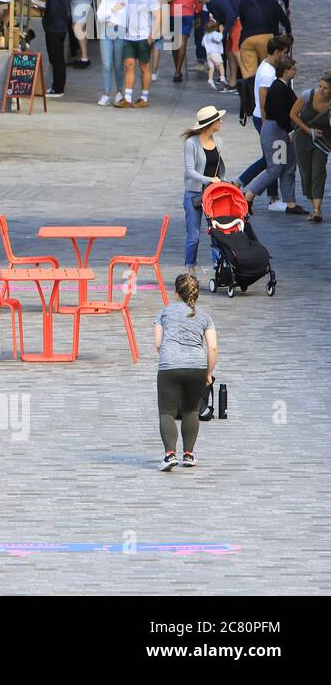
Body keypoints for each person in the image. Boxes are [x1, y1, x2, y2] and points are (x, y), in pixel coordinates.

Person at [153, 274, 217, 472]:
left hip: (170, 366)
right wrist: (208, 373)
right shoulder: (205, 316)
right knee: (191, 410)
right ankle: (188, 455)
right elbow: (213, 348)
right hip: (196, 367)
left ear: (176, 293)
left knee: (167, 412)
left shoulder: (165, 312)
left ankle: (169, 455)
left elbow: (157, 344)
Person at [244, 55, 305, 216]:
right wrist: (291, 130)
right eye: (293, 69)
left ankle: (290, 203)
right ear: (285, 71)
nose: (295, 71)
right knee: (276, 168)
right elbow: (280, 114)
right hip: (277, 132)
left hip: (280, 131)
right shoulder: (278, 88)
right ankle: (248, 196)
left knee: (288, 167)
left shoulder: (282, 86)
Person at [239, 36, 294, 210]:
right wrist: (267, 128)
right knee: (273, 162)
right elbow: (264, 105)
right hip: (268, 123)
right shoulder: (268, 74)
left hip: (269, 123)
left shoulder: (269, 67)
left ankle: (244, 185)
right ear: (277, 52)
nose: (287, 56)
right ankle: (268, 197)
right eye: (285, 52)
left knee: (271, 161)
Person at [181, 106, 227, 275]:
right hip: (194, 194)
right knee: (194, 236)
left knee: (217, 232)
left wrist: (219, 182)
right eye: (218, 119)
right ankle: (190, 266)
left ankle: (218, 266)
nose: (221, 122)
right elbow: (189, 171)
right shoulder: (191, 143)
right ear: (209, 124)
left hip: (213, 194)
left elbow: (218, 167)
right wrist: (209, 180)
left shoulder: (219, 142)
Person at [290, 70, 331, 223]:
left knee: (318, 173)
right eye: (320, 86)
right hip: (302, 139)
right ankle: (315, 207)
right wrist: (309, 131)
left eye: (325, 88)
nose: (321, 90)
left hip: (322, 142)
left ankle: (317, 210)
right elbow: (293, 114)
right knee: (306, 174)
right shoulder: (308, 95)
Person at [115, 0, 159, 108]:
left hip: (144, 37)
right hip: (130, 37)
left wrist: (152, 34)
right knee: (129, 65)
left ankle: (143, 97)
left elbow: (158, 16)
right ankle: (127, 97)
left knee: (144, 67)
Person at [237, 0, 292, 78]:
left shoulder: (243, 3)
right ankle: (266, 91)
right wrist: (288, 34)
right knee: (268, 68)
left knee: (249, 73)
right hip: (268, 38)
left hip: (248, 37)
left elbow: (243, 22)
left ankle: (251, 91)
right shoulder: (272, 2)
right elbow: (285, 20)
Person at [194, 0, 242, 90]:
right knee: (229, 51)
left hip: (237, 21)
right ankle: (233, 82)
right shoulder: (210, 3)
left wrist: (223, 34)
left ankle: (247, 81)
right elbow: (220, 19)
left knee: (235, 50)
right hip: (231, 24)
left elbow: (231, 15)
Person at [94, 0, 127, 106]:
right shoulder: (107, 0)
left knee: (118, 65)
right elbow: (100, 16)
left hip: (120, 32)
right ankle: (106, 93)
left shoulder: (127, 0)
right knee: (106, 64)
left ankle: (119, 92)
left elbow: (128, 19)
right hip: (107, 31)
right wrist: (112, 10)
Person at [167, 0, 199, 83]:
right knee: (183, 41)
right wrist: (198, 10)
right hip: (187, 10)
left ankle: (177, 68)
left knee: (175, 41)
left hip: (174, 9)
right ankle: (178, 70)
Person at [41, 0, 72, 97]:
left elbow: (53, 12)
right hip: (61, 27)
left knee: (56, 59)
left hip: (54, 28)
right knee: (58, 59)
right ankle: (58, 87)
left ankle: (58, 88)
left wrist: (45, 18)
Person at [148, 0, 175, 82]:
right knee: (157, 45)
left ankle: (145, 69)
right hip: (162, 13)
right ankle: (154, 72)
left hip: (148, 14)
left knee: (147, 43)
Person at [202, 20, 226, 91]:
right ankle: (222, 77)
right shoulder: (214, 33)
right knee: (221, 64)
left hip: (208, 54)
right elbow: (220, 38)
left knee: (211, 67)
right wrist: (221, 31)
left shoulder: (205, 36)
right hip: (215, 53)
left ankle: (210, 79)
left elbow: (203, 44)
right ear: (215, 28)